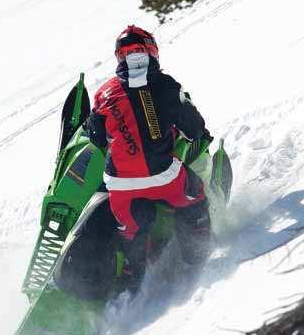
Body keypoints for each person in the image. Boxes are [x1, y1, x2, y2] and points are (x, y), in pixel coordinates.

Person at [84, 25, 212, 292]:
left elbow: (95, 135)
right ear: (153, 53)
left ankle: (132, 277)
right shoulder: (165, 85)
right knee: (195, 195)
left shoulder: (104, 93)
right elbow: (194, 128)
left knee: (131, 225)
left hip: (118, 186)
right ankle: (197, 259)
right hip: (163, 177)